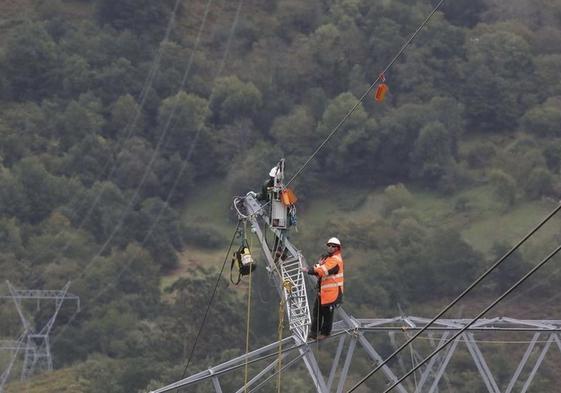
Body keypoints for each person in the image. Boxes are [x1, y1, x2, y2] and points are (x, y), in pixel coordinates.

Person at [302, 237, 344, 341]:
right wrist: (316, 267)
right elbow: (320, 270)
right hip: (324, 292)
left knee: (327, 314)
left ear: (337, 248)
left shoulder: (335, 260)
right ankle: (314, 332)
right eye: (329, 245)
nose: (330, 247)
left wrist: (309, 269)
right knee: (317, 312)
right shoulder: (328, 259)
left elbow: (323, 271)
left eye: (333, 246)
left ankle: (325, 333)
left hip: (332, 293)